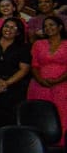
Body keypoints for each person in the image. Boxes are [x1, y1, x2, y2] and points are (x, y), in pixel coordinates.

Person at [28, 15, 67, 146]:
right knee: (41, 116)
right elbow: (34, 65)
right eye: (45, 26)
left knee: (62, 116)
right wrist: (40, 80)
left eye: (52, 25)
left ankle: (61, 148)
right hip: (39, 86)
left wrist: (58, 80)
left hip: (62, 86)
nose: (48, 28)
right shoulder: (38, 44)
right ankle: (38, 148)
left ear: (60, 27)